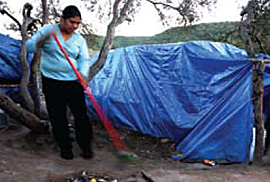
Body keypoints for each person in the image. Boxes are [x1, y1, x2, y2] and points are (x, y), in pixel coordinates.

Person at [25, 5, 93, 160]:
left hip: (73, 82)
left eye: (78, 23)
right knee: (57, 117)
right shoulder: (48, 30)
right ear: (62, 19)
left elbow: (83, 59)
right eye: (72, 22)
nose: (75, 26)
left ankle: (86, 146)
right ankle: (65, 148)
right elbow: (29, 47)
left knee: (81, 115)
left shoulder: (79, 39)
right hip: (52, 82)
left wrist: (83, 75)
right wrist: (42, 40)